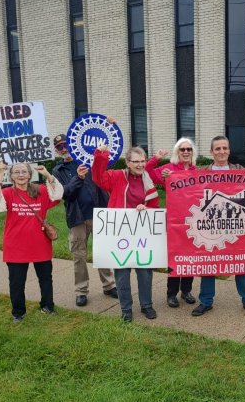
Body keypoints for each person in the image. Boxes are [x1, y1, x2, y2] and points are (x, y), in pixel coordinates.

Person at [191, 135, 245, 317]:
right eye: (218, 149)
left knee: (240, 263)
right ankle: (206, 301)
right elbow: (184, 187)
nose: (222, 152)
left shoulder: (239, 170)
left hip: (234, 224)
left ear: (229, 150)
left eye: (225, 148)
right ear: (211, 152)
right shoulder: (201, 173)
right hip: (211, 226)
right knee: (208, 264)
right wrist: (169, 176)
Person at [0, 159, 64, 323]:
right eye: (17, 172)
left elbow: (58, 193)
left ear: (30, 175)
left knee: (45, 278)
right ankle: (18, 313)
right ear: (12, 176)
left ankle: (47, 306)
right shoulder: (8, 193)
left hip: (40, 243)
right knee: (17, 282)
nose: (21, 175)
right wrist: (0, 174)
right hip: (15, 245)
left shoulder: (41, 191)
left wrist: (46, 173)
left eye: (24, 172)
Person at [91, 145, 159, 322]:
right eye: (135, 161)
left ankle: (147, 305)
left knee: (145, 272)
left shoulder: (148, 180)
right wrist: (101, 155)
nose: (140, 164)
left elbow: (155, 206)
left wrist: (147, 207)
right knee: (122, 273)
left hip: (142, 234)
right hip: (120, 233)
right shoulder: (116, 176)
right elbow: (98, 178)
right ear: (128, 163)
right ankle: (126, 309)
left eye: (143, 160)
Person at [52, 133, 117, 307]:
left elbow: (106, 161)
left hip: (98, 213)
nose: (64, 148)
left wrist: (111, 126)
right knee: (79, 254)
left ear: (73, 144)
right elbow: (65, 193)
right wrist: (78, 178)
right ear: (57, 151)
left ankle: (109, 285)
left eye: (66, 144)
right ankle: (81, 291)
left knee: (102, 251)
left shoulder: (88, 159)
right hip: (77, 217)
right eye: (59, 147)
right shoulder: (58, 171)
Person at [145, 137, 197, 308]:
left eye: (188, 149)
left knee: (191, 258)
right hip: (174, 222)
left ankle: (186, 291)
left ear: (192, 152)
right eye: (182, 149)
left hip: (194, 221)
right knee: (176, 258)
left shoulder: (198, 171)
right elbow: (146, 171)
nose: (186, 152)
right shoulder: (169, 169)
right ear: (177, 152)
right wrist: (157, 158)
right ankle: (171, 293)